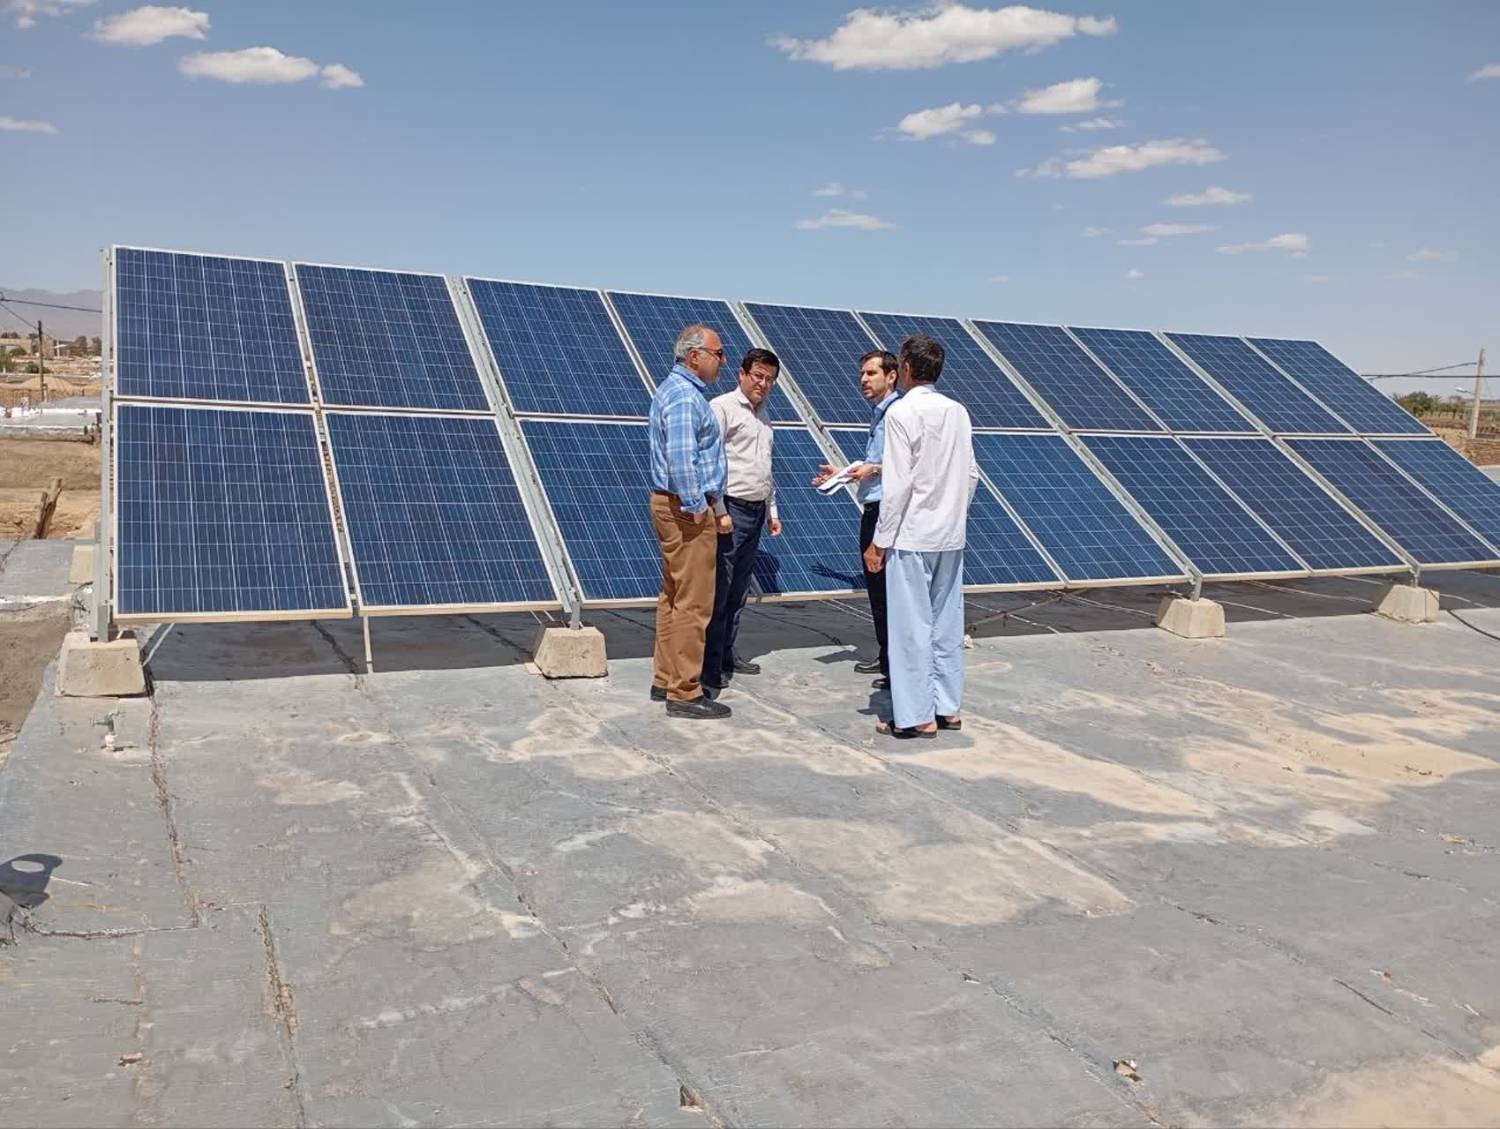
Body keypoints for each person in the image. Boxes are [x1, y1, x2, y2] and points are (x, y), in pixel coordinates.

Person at [863, 334, 977, 739]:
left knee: (910, 627)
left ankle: (916, 716)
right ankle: (948, 708)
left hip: (912, 536)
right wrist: (954, 513)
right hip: (951, 535)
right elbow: (971, 474)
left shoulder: (902, 413)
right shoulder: (958, 412)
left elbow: (898, 486)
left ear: (907, 368)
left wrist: (879, 541)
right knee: (947, 623)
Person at [648, 325, 731, 719]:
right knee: (695, 602)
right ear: (694, 356)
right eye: (718, 353)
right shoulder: (684, 396)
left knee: (674, 596)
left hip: (673, 504)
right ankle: (684, 691)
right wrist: (698, 505)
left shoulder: (675, 390)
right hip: (685, 508)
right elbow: (682, 458)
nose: (723, 360)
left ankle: (665, 678)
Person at [812, 350, 899, 689]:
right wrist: (842, 474)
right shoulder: (881, 414)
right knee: (878, 589)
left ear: (891, 376)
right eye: (862, 373)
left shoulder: (896, 415)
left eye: (871, 373)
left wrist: (872, 469)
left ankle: (896, 667)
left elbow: (905, 465)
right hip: (875, 508)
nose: (863, 379)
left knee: (885, 590)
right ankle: (888, 657)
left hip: (886, 511)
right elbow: (877, 464)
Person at [702, 348, 784, 691]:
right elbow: (710, 461)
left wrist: (772, 511)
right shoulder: (722, 408)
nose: (763, 384)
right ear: (742, 374)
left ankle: (727, 655)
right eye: (758, 376)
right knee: (720, 590)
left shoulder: (764, 417)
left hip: (756, 510)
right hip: (731, 510)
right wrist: (720, 510)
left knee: (739, 591)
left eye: (770, 380)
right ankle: (710, 666)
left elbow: (765, 466)